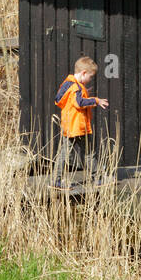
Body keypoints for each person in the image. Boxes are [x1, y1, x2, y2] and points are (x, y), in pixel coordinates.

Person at [53, 56, 109, 185]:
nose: (90, 80)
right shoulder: (76, 87)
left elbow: (60, 99)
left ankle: (56, 180)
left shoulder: (67, 84)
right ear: (83, 73)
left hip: (69, 126)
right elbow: (79, 103)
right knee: (89, 153)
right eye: (90, 77)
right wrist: (96, 100)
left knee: (64, 153)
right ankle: (97, 178)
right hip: (79, 126)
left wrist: (83, 92)